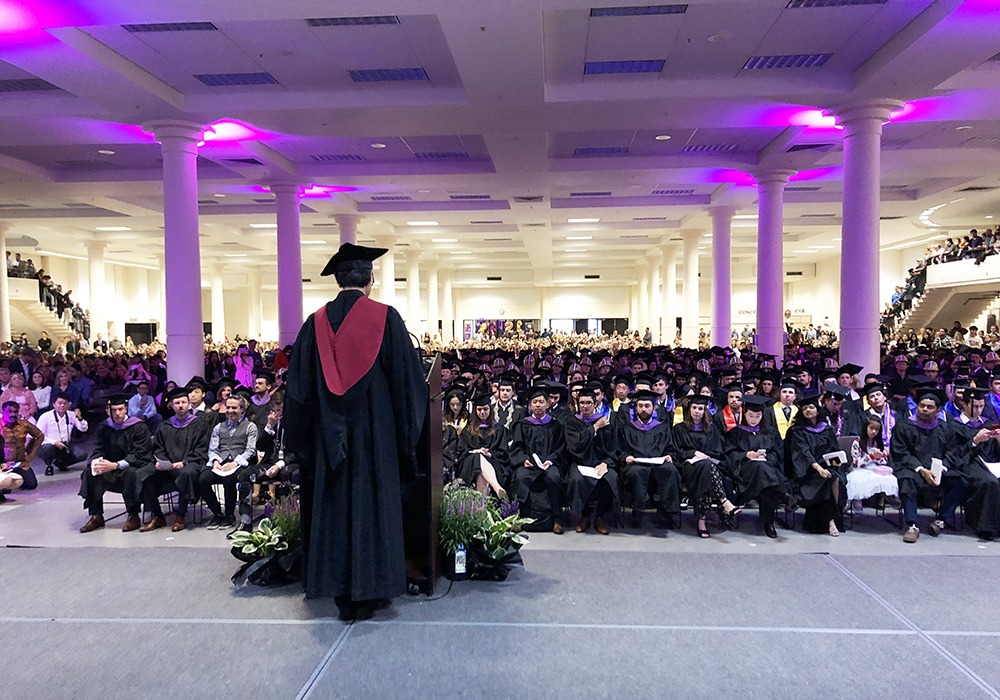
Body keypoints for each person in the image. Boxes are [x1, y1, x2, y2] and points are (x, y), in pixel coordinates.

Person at [285, 242, 428, 619]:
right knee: (373, 505)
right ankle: (373, 587)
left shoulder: (313, 324)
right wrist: (405, 438)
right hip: (375, 439)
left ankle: (337, 587)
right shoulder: (386, 319)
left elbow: (297, 393)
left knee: (333, 507)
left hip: (327, 440)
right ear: (370, 279)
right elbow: (407, 385)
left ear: (337, 280)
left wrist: (305, 444)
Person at [890, 389, 966, 543]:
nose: (924, 409)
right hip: (914, 469)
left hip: (939, 471)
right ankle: (912, 526)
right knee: (906, 480)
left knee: (961, 481)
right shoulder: (904, 426)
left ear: (937, 411)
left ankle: (941, 521)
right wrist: (921, 470)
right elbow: (901, 452)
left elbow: (952, 452)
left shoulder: (945, 428)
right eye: (922, 406)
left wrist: (941, 469)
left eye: (929, 407)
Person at [138, 387, 213, 532]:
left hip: (191, 463)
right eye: (177, 402)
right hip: (168, 466)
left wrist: (184, 462)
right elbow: (158, 448)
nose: (180, 405)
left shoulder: (200, 424)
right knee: (144, 473)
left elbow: (202, 449)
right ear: (171, 405)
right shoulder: (164, 426)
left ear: (189, 404)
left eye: (183, 402)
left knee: (187, 473)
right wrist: (162, 462)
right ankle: (158, 516)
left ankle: (181, 515)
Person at [78, 395, 153, 533]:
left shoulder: (138, 426)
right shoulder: (104, 427)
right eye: (114, 410)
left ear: (126, 409)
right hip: (109, 466)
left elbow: (140, 453)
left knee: (132, 473)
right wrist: (97, 462)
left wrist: (116, 465)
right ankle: (96, 515)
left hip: (131, 465)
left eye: (120, 409)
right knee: (90, 472)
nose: (117, 413)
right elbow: (98, 448)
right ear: (108, 411)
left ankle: (133, 515)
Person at [671, 394, 741, 538]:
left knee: (706, 471)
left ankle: (701, 521)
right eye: (694, 408)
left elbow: (717, 451)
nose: (697, 411)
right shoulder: (679, 429)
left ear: (705, 411)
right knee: (706, 468)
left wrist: (706, 456)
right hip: (689, 466)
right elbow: (677, 451)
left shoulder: (711, 429)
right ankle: (725, 502)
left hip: (709, 465)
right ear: (689, 409)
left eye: (700, 408)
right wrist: (694, 453)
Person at [722, 394, 787, 538]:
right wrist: (746, 455)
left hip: (766, 470)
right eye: (751, 415)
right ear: (745, 414)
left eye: (758, 416)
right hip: (745, 473)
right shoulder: (736, 433)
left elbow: (778, 453)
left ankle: (768, 522)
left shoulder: (770, 432)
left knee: (765, 480)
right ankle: (769, 520)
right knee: (763, 472)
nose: (754, 419)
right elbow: (729, 455)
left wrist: (766, 456)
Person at [616, 388, 680, 530]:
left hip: (658, 463)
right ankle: (638, 512)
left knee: (670, 470)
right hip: (635, 464)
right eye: (640, 406)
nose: (643, 409)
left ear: (653, 407)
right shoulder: (627, 428)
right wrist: (626, 457)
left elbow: (670, 448)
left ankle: (667, 513)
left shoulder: (662, 428)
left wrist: (669, 456)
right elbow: (619, 450)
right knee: (636, 472)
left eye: (647, 406)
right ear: (636, 408)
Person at [508, 386, 566, 534]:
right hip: (529, 465)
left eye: (541, 401)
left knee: (554, 477)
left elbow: (560, 448)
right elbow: (517, 447)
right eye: (535, 402)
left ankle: (556, 518)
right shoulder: (523, 425)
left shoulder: (555, 425)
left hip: (548, 464)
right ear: (530, 405)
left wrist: (551, 460)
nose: (538, 405)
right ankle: (518, 517)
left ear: (547, 404)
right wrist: (523, 460)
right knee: (520, 477)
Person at [786, 393, 845, 536]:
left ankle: (830, 519)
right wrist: (818, 468)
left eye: (811, 407)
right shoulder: (797, 431)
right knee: (826, 479)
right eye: (805, 408)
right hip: (807, 471)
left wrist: (834, 465)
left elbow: (835, 450)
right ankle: (831, 521)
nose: (808, 410)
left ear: (818, 410)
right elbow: (803, 453)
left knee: (835, 477)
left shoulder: (827, 429)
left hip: (826, 466)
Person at [565, 387, 619, 534]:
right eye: (582, 403)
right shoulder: (572, 423)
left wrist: (605, 463)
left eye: (588, 402)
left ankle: (600, 517)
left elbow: (613, 447)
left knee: (610, 478)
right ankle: (585, 516)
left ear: (595, 403)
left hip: (601, 462)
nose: (585, 406)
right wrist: (594, 427)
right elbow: (575, 446)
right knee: (577, 479)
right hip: (580, 462)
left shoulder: (606, 422)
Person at [200, 394, 258, 530]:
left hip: (240, 462)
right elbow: (213, 448)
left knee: (229, 480)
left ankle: (229, 515)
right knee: (202, 479)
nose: (230, 410)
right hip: (221, 461)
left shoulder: (250, 427)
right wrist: (215, 461)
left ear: (242, 409)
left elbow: (251, 450)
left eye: (234, 407)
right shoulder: (218, 428)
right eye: (228, 407)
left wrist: (235, 463)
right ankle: (217, 513)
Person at [456, 392, 509, 499]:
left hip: (493, 461)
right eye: (479, 410)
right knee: (477, 458)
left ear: (490, 409)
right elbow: (461, 450)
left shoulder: (499, 429)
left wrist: (489, 453)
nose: (482, 412)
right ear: (475, 411)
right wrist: (475, 451)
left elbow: (503, 452)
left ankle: (481, 507)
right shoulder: (468, 430)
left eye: (485, 409)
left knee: (480, 469)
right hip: (469, 463)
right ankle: (496, 487)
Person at [847, 415, 898, 511]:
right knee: (860, 478)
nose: (873, 431)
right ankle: (856, 500)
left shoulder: (878, 442)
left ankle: (888, 498)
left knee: (889, 477)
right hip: (859, 468)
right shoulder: (857, 442)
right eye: (871, 428)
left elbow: (883, 462)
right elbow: (856, 463)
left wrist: (879, 457)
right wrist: (871, 457)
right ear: (865, 427)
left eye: (876, 429)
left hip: (875, 468)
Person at [37, 393, 89, 476]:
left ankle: (61, 463)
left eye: (65, 403)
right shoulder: (45, 416)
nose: (62, 406)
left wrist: (80, 418)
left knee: (82, 454)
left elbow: (83, 429)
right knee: (47, 448)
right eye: (59, 403)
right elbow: (38, 435)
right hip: (49, 444)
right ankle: (49, 466)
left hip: (65, 444)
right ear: (54, 404)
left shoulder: (71, 415)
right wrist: (54, 442)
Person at [0, 400, 43, 491]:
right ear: (2, 412)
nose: (13, 414)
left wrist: (31, 455)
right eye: (9, 412)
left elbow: (39, 436)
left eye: (15, 411)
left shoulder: (24, 424)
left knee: (31, 485)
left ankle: (17, 480)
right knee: (5, 489)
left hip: (21, 463)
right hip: (3, 465)